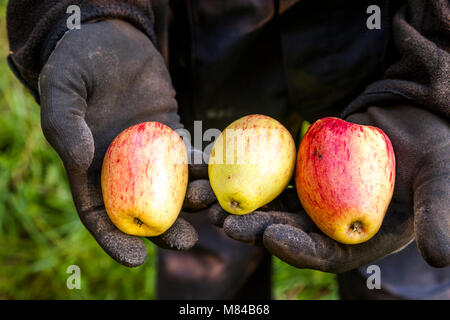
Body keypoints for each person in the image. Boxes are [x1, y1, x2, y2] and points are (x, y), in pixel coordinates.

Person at [6, 0, 449, 299]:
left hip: (391, 41)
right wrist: (87, 12)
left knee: (411, 223)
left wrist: (438, 79)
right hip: (200, 45)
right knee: (205, 223)